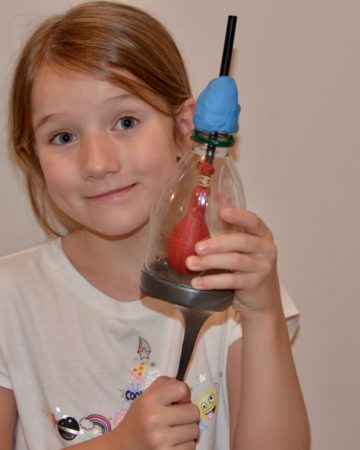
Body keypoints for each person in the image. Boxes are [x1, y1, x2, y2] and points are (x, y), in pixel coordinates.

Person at [0, 1, 310, 449]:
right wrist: (120, 443)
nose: (98, 163)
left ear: (186, 129)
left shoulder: (233, 286)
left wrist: (262, 315)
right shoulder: (9, 299)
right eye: (63, 137)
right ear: (33, 156)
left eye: (125, 122)